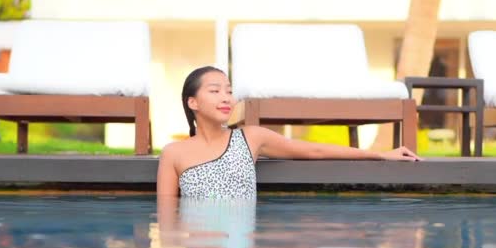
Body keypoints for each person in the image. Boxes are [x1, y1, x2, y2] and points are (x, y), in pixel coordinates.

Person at [157, 66, 421, 197]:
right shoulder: (173, 153)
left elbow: (314, 150)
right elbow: (166, 214)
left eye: (228, 90)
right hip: (197, 246)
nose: (226, 97)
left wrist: (382, 155)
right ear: (193, 102)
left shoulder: (250, 137)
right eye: (215, 91)